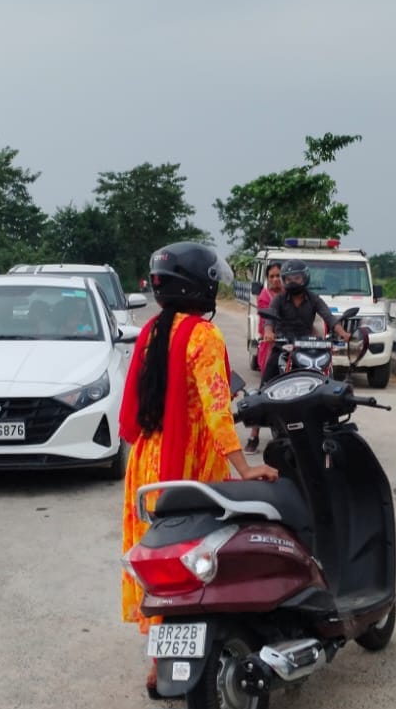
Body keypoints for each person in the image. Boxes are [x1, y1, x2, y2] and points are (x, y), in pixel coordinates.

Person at [119, 242, 277, 697]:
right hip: (189, 462)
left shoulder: (153, 329)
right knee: (196, 557)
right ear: (197, 286)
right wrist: (244, 467)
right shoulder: (203, 336)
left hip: (148, 460)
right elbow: (216, 411)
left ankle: (159, 663)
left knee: (159, 559)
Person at [260, 260, 351, 385]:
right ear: (284, 280)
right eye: (289, 279)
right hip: (283, 346)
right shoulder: (279, 299)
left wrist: (343, 333)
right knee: (266, 381)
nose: (292, 281)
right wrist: (268, 331)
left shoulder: (314, 299)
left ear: (305, 278)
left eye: (296, 278)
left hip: (306, 347)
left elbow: (329, 317)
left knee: (327, 377)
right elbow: (270, 318)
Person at [246, 262, 284, 453]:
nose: (276, 279)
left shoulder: (292, 294)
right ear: (267, 279)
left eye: (278, 276)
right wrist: (270, 333)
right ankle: (254, 435)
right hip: (271, 348)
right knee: (265, 389)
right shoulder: (265, 297)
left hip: (292, 347)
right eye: (272, 276)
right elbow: (265, 325)